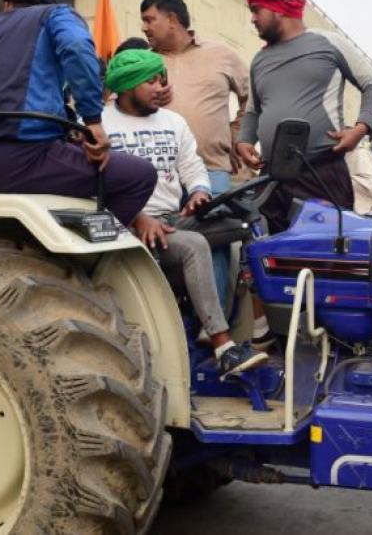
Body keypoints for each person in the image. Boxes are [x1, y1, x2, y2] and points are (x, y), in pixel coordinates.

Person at [102, 49, 267, 376]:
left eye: (161, 78)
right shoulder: (100, 123)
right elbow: (91, 187)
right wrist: (137, 217)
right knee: (193, 245)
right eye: (151, 80)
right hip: (125, 226)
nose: (160, 87)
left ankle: (261, 326)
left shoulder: (173, 121)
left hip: (172, 220)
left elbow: (192, 168)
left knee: (252, 222)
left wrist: (199, 192)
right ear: (127, 84)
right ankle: (223, 346)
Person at [0, 0, 155, 225]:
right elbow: (77, 47)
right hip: (21, 158)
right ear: (43, 6)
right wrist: (92, 120)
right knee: (140, 176)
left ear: (7, 6)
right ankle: (89, 258)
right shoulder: (55, 15)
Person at [235, 0, 372, 233]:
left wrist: (360, 128)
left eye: (255, 10)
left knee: (325, 253)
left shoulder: (329, 43)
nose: (252, 19)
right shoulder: (260, 59)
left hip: (321, 170)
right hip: (273, 176)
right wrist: (243, 140)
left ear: (278, 8)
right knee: (276, 257)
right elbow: (253, 111)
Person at [141, 0, 249, 312]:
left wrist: (236, 136)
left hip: (212, 170)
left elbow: (251, 97)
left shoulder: (221, 55)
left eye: (150, 19)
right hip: (158, 177)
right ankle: (173, 328)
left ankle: (214, 331)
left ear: (172, 19)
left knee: (213, 245)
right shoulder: (146, 62)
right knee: (160, 247)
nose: (144, 27)